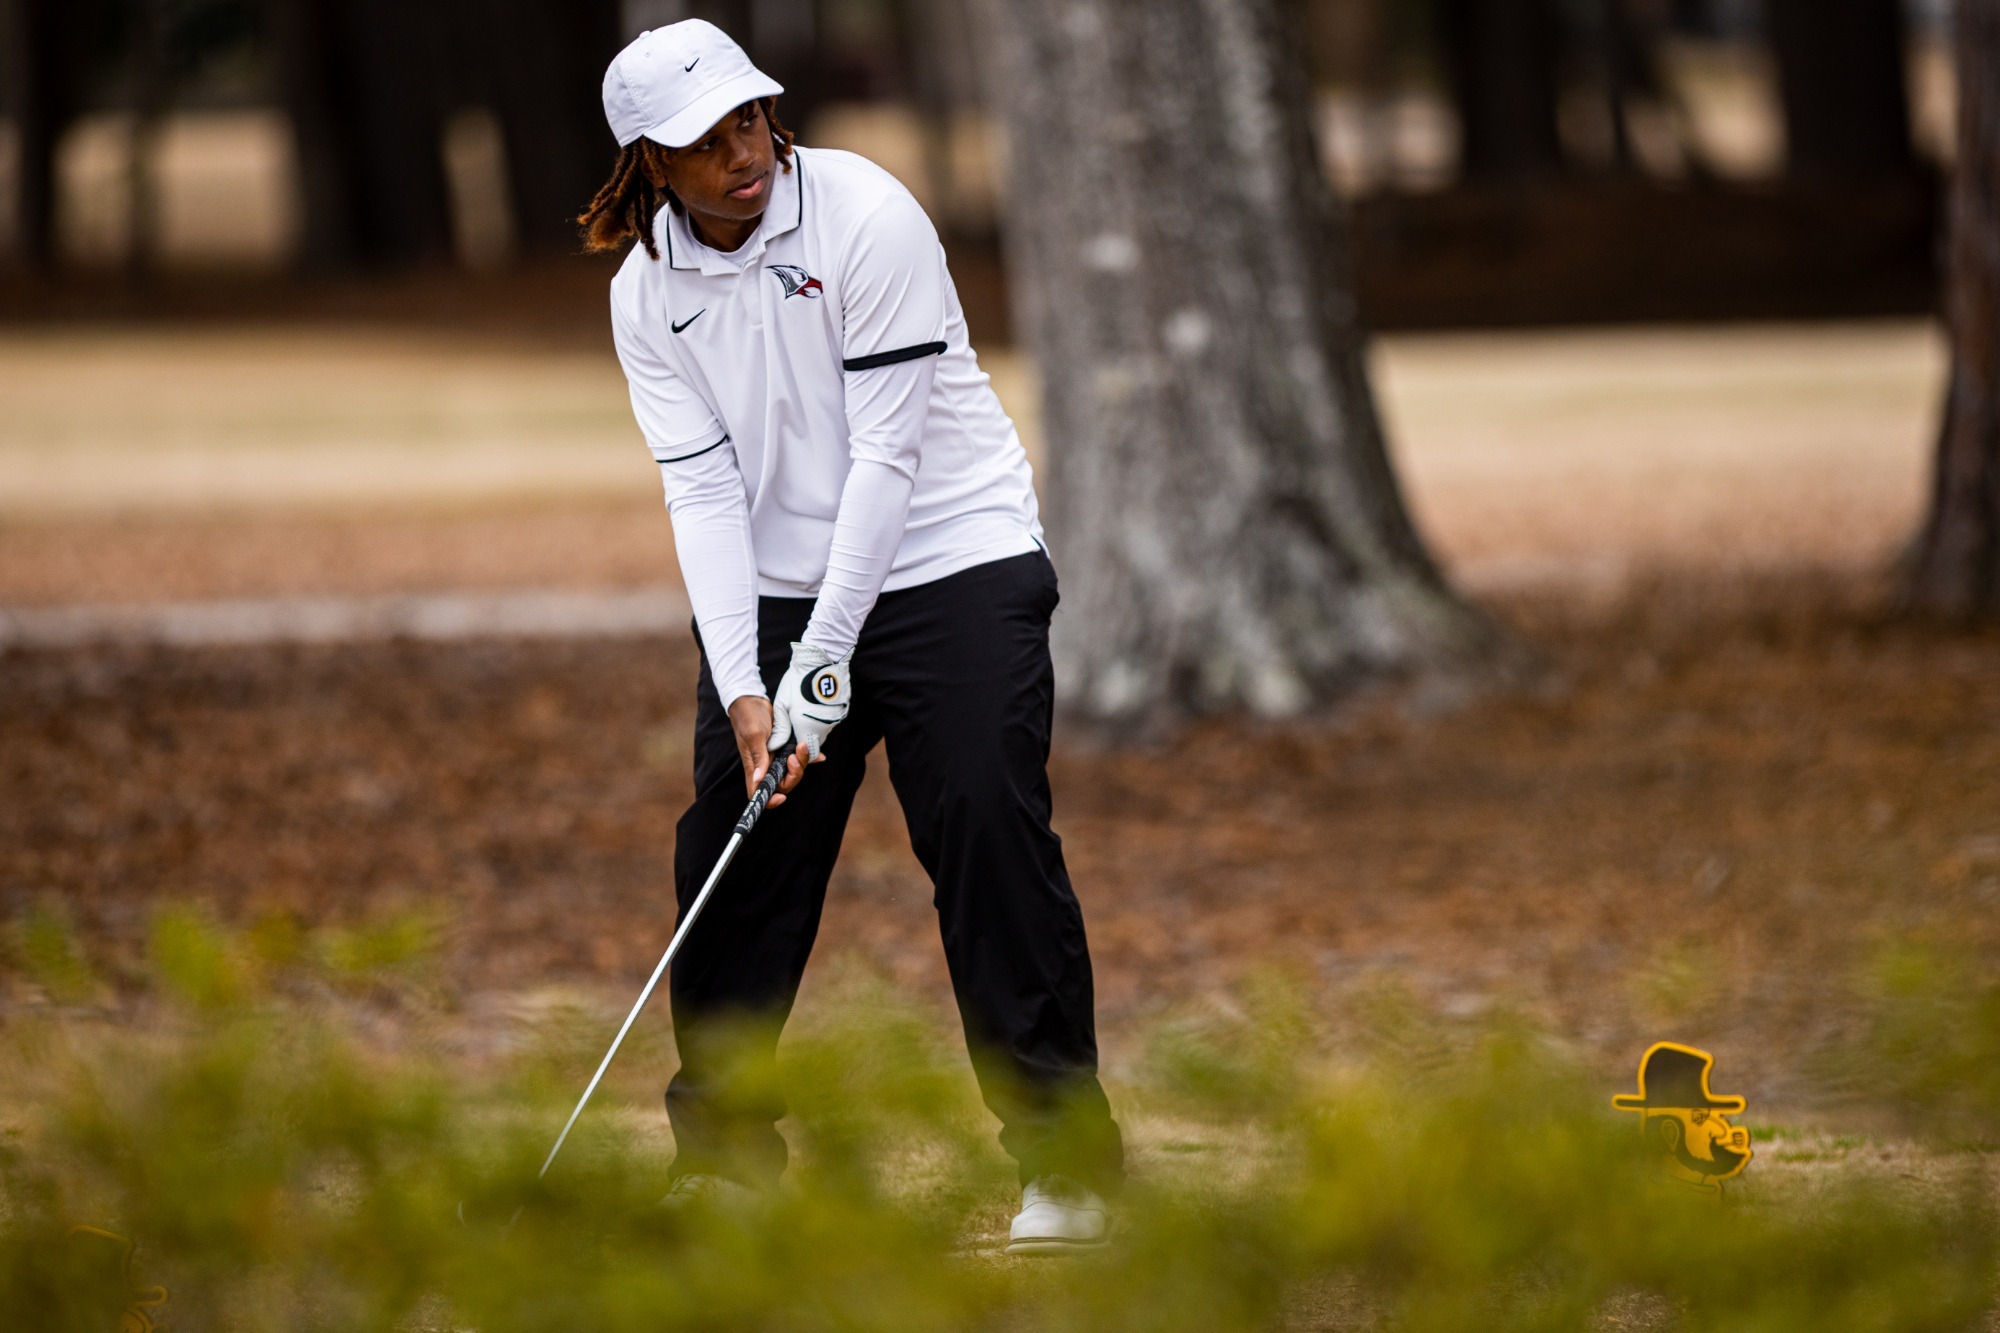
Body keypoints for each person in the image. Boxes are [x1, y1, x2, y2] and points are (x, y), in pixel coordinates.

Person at [579, 19, 1122, 1254]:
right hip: (775, 585)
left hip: (949, 559)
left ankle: (1067, 1167)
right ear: (647, 166)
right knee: (731, 845)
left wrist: (821, 669)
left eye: (747, 121)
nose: (739, 155)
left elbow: (887, 457)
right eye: (702, 143)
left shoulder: (867, 216)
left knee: (986, 830)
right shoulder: (644, 297)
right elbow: (705, 494)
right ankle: (723, 1164)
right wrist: (746, 690)